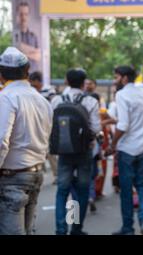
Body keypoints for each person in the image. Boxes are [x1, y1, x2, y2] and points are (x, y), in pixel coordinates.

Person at [0, 47, 53, 234]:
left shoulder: (6, 98)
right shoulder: (42, 101)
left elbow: (1, 142)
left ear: (1, 74)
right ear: (27, 71)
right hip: (35, 174)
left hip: (12, 178)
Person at [51, 68, 101, 235]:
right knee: (82, 191)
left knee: (62, 191)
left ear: (66, 80)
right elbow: (96, 127)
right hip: (83, 151)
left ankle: (61, 229)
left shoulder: (56, 100)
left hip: (63, 153)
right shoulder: (90, 101)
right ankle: (76, 229)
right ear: (83, 83)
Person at [109, 66, 143, 235]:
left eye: (116, 77)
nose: (115, 80)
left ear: (124, 78)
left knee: (126, 191)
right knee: (142, 186)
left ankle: (128, 228)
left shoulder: (121, 95)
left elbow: (123, 125)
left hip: (128, 150)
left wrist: (112, 145)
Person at [29, 71, 58, 184]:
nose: (31, 84)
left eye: (32, 82)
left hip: (47, 124)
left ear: (37, 81)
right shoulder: (31, 91)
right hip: (35, 124)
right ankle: (38, 173)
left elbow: (54, 107)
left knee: (50, 151)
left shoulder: (49, 90)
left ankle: (56, 174)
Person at [13, 1, 40, 71]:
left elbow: (38, 57)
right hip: (19, 75)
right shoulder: (14, 34)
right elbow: (17, 51)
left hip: (33, 76)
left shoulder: (34, 36)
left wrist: (23, 52)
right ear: (17, 15)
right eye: (21, 14)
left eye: (26, 14)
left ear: (29, 16)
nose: (23, 17)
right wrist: (33, 51)